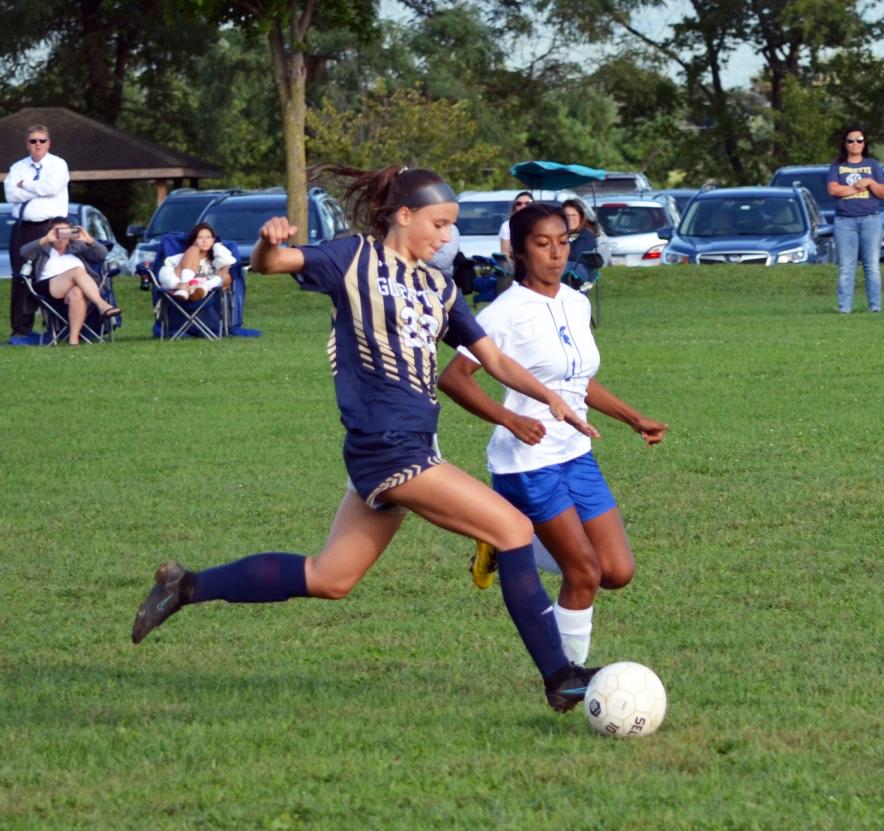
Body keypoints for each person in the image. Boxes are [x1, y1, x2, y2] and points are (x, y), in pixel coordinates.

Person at [131, 165, 604, 712]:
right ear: (404, 216)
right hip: (387, 447)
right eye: (440, 223)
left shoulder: (439, 286)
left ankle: (186, 585)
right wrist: (265, 245)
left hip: (414, 446)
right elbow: (272, 264)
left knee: (330, 577)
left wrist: (549, 398)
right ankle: (559, 677)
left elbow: (492, 358)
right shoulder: (353, 257)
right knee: (512, 529)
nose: (447, 236)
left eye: (451, 226)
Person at [437, 203, 668, 666]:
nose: (556, 254)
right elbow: (454, 378)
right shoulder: (505, 312)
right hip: (527, 461)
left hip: (576, 452)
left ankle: (506, 545)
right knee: (582, 571)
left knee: (616, 571)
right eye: (542, 244)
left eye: (562, 242)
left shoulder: (577, 302)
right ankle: (567, 678)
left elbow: (578, 380)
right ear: (521, 251)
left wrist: (631, 417)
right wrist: (510, 420)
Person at [4, 124, 71, 339]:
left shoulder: (58, 165)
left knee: (54, 272)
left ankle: (57, 327)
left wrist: (25, 186)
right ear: (27, 144)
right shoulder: (17, 168)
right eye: (33, 141)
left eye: (42, 140)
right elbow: (10, 195)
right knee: (22, 277)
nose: (38, 145)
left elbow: (52, 188)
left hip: (53, 226)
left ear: (48, 143)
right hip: (24, 228)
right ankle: (21, 331)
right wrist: (34, 188)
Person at [19, 218, 121, 346]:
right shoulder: (43, 249)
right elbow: (23, 251)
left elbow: (102, 255)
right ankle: (102, 305)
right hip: (50, 289)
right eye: (58, 232)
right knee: (77, 271)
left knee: (77, 292)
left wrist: (89, 240)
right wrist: (46, 239)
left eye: (65, 232)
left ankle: (73, 339)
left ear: (71, 233)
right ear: (51, 233)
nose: (61, 236)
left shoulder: (78, 247)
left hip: (81, 289)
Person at [826, 126, 884, 314]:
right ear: (845, 144)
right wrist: (857, 187)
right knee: (846, 266)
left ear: (864, 143)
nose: (855, 144)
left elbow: (882, 193)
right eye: (851, 140)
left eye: (859, 140)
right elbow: (833, 190)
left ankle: (875, 307)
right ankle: (845, 307)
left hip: (871, 220)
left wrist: (869, 182)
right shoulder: (837, 166)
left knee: (872, 265)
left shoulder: (873, 166)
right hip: (845, 222)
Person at [156, 222, 236, 301]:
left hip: (206, 291)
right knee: (194, 249)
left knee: (227, 270)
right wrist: (178, 284)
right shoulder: (181, 257)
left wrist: (217, 246)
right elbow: (164, 272)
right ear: (194, 240)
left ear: (212, 241)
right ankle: (186, 288)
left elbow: (229, 262)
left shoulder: (216, 259)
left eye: (208, 238)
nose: (204, 241)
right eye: (200, 237)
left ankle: (204, 288)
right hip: (182, 289)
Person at [561, 198, 598, 285]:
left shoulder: (585, 235)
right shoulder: (561, 234)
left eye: (574, 215)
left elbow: (575, 256)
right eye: (567, 216)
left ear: (581, 217)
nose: (570, 219)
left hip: (577, 277)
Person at [499, 191, 533, 259]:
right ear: (514, 207)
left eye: (527, 203)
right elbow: (505, 255)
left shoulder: (540, 224)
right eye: (519, 203)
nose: (523, 206)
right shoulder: (506, 226)